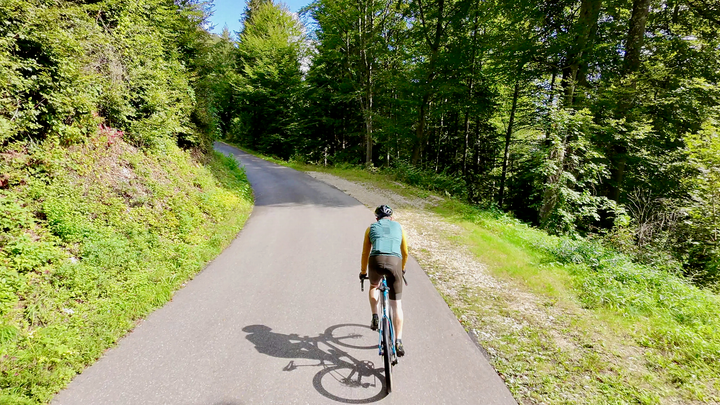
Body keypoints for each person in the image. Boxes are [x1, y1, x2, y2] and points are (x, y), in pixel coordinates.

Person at [359, 204, 409, 357]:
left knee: (374, 285)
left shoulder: (370, 228)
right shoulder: (399, 228)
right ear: (392, 217)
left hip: (375, 261)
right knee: (396, 305)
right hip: (395, 263)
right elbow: (405, 252)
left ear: (376, 218)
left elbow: (365, 253)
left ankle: (375, 316)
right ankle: (398, 341)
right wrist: (402, 269)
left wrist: (363, 272)